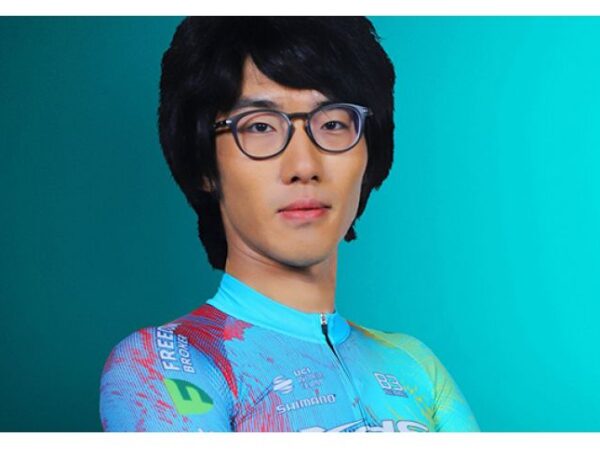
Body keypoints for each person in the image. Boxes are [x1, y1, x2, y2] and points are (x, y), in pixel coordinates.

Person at [99, 16, 480, 432]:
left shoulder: (413, 365)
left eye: (333, 124)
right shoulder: (167, 360)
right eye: (260, 126)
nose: (304, 166)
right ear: (205, 165)